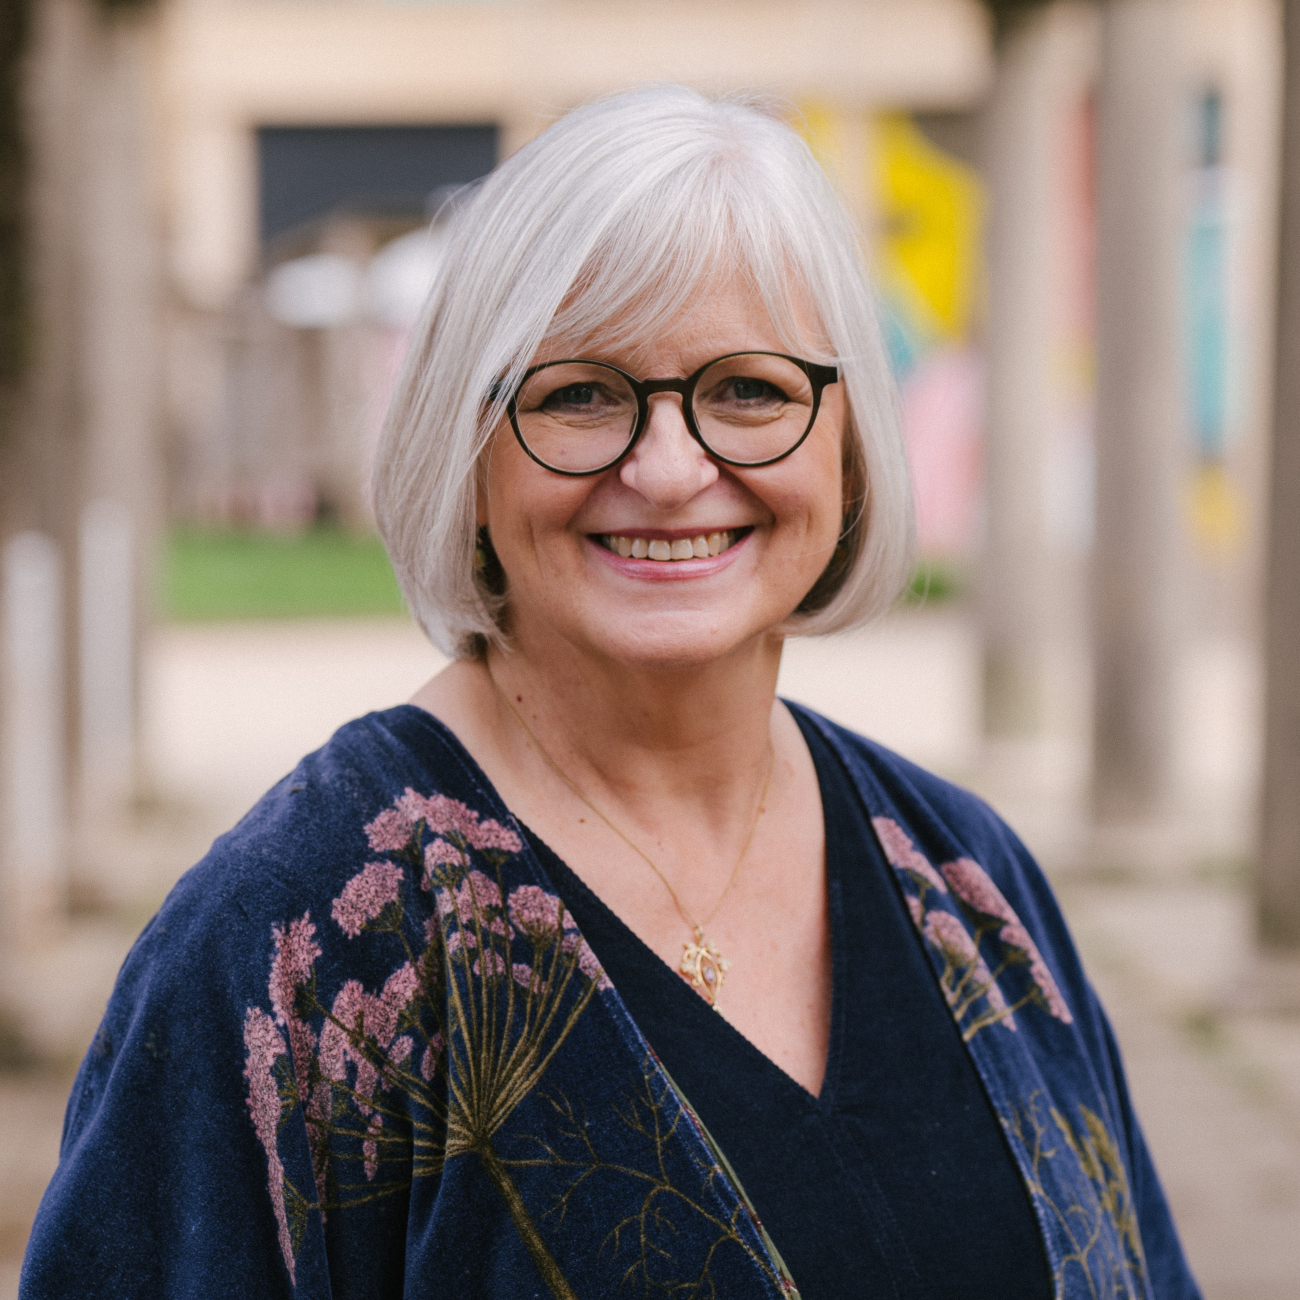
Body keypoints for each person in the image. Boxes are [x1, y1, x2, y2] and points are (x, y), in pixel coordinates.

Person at [21, 86, 1200, 1300]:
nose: (672, 467)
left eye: (748, 388)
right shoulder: (295, 946)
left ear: (845, 445)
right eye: (579, 393)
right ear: (464, 447)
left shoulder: (968, 881)